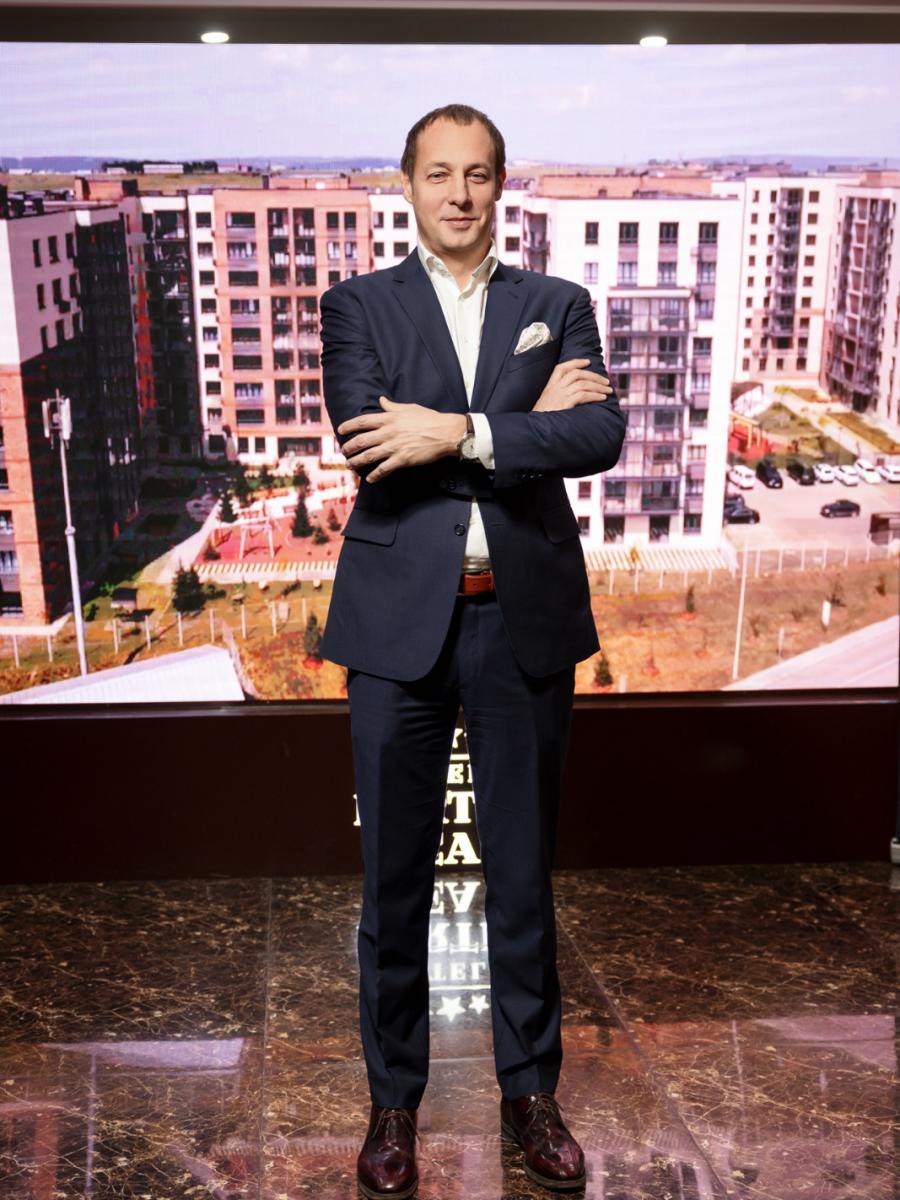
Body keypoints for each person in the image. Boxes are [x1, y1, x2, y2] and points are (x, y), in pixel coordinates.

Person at [319, 103, 625, 1198]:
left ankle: (531, 1094)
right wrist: (521, 423)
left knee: (522, 878)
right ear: (407, 184)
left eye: (479, 174)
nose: (459, 193)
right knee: (394, 883)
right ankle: (392, 1104)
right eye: (439, 173)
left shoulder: (558, 303)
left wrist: (453, 428)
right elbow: (370, 442)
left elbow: (598, 435)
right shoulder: (357, 305)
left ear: (502, 185)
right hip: (396, 628)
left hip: (521, 622)